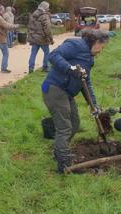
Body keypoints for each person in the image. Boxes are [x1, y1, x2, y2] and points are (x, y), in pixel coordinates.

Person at [41, 29, 109, 173]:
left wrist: (94, 105)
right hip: (55, 89)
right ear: (96, 43)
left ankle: (59, 152)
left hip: (67, 93)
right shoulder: (76, 45)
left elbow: (86, 82)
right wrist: (70, 68)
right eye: (102, 47)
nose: (101, 51)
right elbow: (52, 55)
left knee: (75, 124)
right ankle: (64, 164)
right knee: (64, 127)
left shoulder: (89, 58)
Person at [28, 1, 54, 73]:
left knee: (33, 53)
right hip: (43, 38)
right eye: (48, 8)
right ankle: (45, 67)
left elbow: (29, 27)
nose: (48, 9)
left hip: (34, 38)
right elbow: (47, 29)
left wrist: (31, 36)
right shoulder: (44, 16)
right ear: (45, 8)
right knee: (47, 52)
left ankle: (31, 68)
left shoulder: (33, 14)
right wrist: (51, 39)